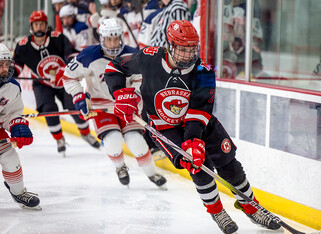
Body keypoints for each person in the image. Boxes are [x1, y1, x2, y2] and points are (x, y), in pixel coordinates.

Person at [104, 20, 281, 233]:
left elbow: (199, 111)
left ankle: (252, 208)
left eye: (191, 49)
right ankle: (216, 211)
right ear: (169, 45)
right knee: (198, 166)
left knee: (229, 164)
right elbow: (113, 66)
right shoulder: (149, 58)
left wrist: (193, 140)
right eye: (182, 49)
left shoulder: (204, 71)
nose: (188, 55)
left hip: (200, 123)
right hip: (165, 128)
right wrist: (121, 94)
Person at [62, 18, 166, 188]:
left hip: (127, 106)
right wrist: (78, 96)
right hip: (102, 106)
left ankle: (152, 173)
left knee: (136, 141)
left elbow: (141, 81)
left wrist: (135, 99)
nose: (112, 43)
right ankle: (120, 167)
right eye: (109, 39)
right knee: (113, 141)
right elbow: (68, 77)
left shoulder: (133, 55)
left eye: (116, 38)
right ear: (102, 39)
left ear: (121, 37)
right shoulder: (89, 55)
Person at [13, 10, 100, 157]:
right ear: (31, 27)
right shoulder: (23, 46)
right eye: (36, 24)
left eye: (42, 24)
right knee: (48, 109)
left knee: (74, 107)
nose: (39, 27)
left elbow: (71, 56)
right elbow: (17, 68)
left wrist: (64, 70)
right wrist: (6, 74)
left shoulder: (58, 38)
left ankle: (86, 134)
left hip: (64, 79)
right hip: (42, 83)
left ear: (47, 25)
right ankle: (59, 140)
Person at [0, 43, 40, 210]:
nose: (4, 69)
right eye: (0, 65)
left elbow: (10, 114)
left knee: (10, 158)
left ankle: (18, 192)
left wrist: (17, 124)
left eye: (6, 64)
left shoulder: (12, 87)